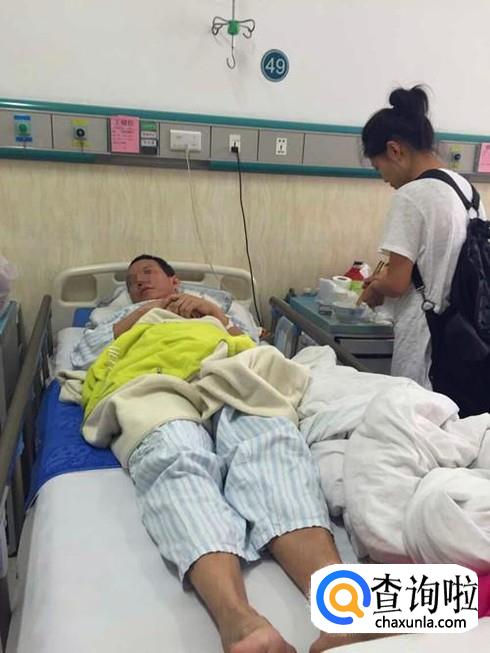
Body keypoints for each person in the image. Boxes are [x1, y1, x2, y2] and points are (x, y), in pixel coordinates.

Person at [72, 254, 369, 653]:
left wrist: (213, 313)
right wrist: (145, 312)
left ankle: (346, 613)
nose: (138, 281)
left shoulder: (213, 308)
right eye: (130, 281)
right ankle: (239, 621)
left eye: (148, 273)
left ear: (175, 281)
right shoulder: (119, 318)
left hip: (227, 371)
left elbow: (252, 342)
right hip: (149, 380)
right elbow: (83, 355)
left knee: (271, 445)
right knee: (176, 456)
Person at [359, 86, 486, 388]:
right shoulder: (466, 191)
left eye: (379, 168)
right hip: (468, 336)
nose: (384, 178)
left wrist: (375, 286)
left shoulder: (411, 196)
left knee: (413, 413)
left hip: (427, 342)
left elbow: (397, 283)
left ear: (395, 150)